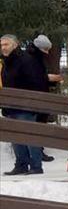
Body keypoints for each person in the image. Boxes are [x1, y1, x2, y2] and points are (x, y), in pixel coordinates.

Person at [1, 33, 48, 175]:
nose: (3, 48)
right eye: (1, 45)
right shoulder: (6, 62)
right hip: (11, 106)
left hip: (26, 105)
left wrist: (33, 104)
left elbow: (36, 82)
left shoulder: (26, 60)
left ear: (15, 45)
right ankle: (21, 164)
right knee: (15, 137)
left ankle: (36, 166)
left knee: (29, 135)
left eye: (6, 44)